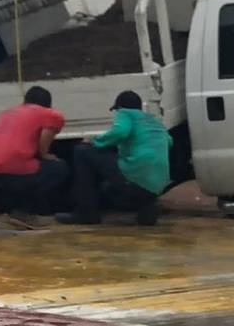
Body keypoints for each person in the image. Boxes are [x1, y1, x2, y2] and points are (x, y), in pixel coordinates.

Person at [56, 90, 172, 226]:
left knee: (82, 151)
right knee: (132, 170)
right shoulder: (153, 120)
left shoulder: (125, 113)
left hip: (135, 177)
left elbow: (121, 131)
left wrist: (95, 141)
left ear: (120, 108)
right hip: (157, 184)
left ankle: (86, 212)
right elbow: (169, 141)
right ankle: (147, 209)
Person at [0, 85, 70, 231]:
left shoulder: (6, 114)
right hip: (14, 169)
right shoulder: (51, 114)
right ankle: (22, 212)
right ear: (48, 103)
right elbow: (44, 143)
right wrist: (45, 154)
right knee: (58, 168)